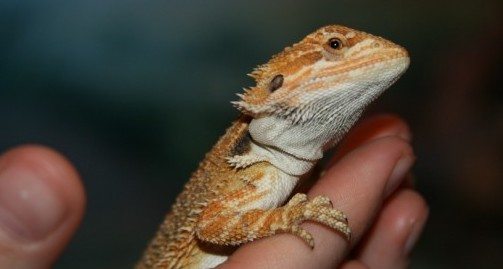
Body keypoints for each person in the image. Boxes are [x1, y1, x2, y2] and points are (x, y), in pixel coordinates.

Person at [0, 114, 428, 269]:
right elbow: (214, 225)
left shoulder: (273, 164)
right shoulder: (254, 168)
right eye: (334, 46)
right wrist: (282, 218)